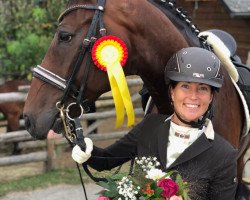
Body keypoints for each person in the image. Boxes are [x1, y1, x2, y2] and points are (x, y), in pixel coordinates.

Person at [72, 47, 238, 199]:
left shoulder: (224, 155)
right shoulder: (149, 126)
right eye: (185, 86)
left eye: (202, 88)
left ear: (211, 97)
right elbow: (106, 160)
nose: (193, 96)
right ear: (172, 92)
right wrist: (87, 152)